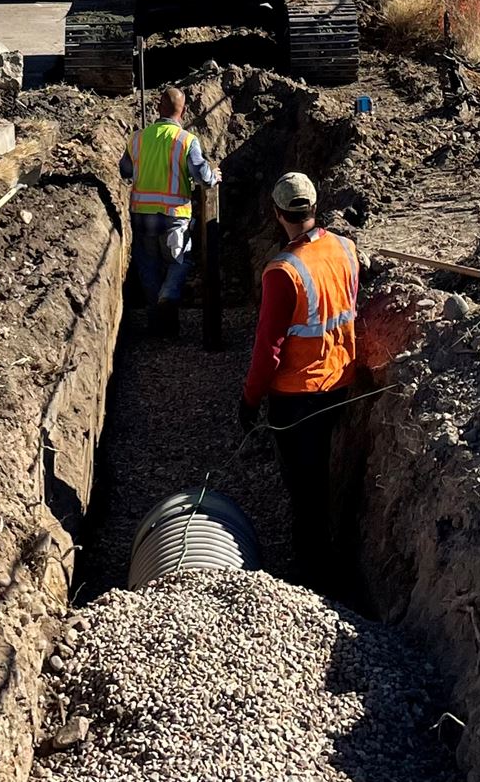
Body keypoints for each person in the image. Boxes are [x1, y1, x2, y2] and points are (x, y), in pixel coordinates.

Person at [239, 171, 359, 593]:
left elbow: (268, 348)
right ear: (314, 206)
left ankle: (311, 579)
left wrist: (250, 400)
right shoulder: (346, 248)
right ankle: (325, 557)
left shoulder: (282, 271)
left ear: (277, 213)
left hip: (297, 397)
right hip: (340, 382)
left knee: (305, 489)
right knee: (320, 477)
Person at [120, 85, 218, 335]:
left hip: (142, 215)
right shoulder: (186, 140)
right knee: (180, 260)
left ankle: (159, 326)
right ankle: (169, 293)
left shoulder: (138, 138)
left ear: (157, 108)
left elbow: (125, 171)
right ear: (183, 111)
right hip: (174, 215)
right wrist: (214, 175)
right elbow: (202, 176)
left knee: (149, 267)